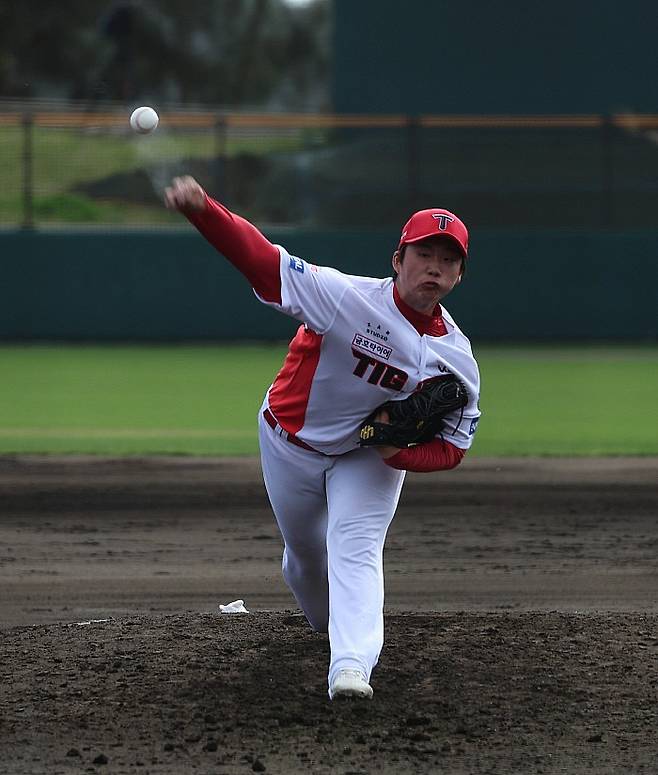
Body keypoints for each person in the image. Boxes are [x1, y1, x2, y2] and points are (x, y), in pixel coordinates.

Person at [164, 176, 481, 700]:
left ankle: (351, 667)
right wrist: (205, 211)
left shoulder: (459, 360)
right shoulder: (345, 298)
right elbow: (264, 263)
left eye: (448, 260)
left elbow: (453, 448)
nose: (435, 267)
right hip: (289, 441)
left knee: (355, 550)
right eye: (425, 253)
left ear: (459, 275)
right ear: (398, 259)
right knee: (307, 557)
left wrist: (396, 451)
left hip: (365, 455)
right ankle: (329, 626)